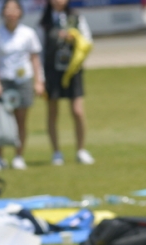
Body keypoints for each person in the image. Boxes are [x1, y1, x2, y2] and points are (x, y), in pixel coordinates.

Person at [0, 0, 44, 171]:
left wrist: (38, 81)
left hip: (23, 80)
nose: (11, 12)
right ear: (3, 12)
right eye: (8, 9)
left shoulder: (28, 33)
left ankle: (18, 156)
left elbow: (34, 58)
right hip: (4, 80)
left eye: (14, 9)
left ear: (20, 12)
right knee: (0, 119)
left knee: (21, 120)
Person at [40, 0, 94, 166]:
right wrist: (40, 78)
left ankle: (81, 150)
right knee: (53, 112)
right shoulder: (44, 22)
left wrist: (74, 38)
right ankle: (56, 152)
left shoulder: (77, 18)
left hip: (72, 71)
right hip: (52, 72)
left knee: (77, 111)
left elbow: (88, 41)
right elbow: (39, 50)